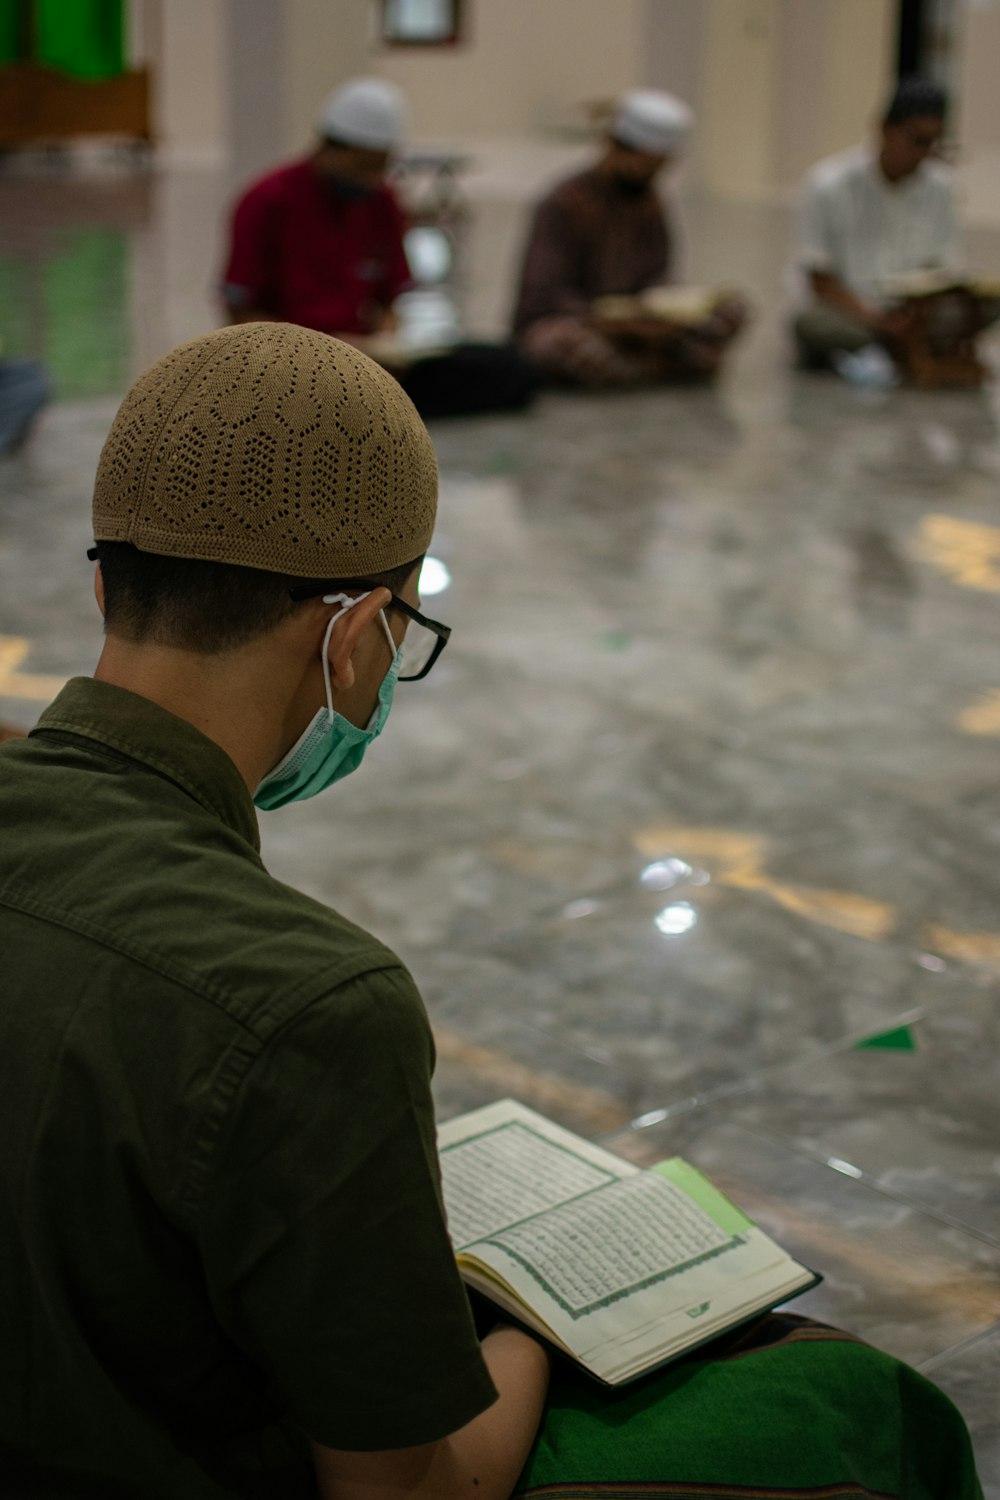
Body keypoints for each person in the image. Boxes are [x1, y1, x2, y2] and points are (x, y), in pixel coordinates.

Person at [0, 319, 984, 1500]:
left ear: (107, 582)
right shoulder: (309, 1001)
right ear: (357, 638)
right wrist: (528, 1328)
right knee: (838, 1403)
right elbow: (411, 1490)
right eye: (404, 632)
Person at [221, 77, 536, 418]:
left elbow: (389, 303)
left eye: (381, 167)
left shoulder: (382, 202)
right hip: (293, 369)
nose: (371, 179)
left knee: (507, 366)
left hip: (364, 364)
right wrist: (316, 351)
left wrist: (385, 346)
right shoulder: (267, 201)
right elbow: (241, 314)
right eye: (363, 167)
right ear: (327, 149)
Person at [511, 88, 747, 387]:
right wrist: (611, 320)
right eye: (643, 164)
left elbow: (658, 275)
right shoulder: (563, 202)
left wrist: (665, 312)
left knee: (728, 312)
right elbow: (540, 299)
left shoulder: (650, 202)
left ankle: (641, 369)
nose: (650, 176)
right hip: (583, 324)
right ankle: (661, 369)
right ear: (613, 147)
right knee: (559, 345)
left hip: (641, 326)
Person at [792, 76, 996, 372]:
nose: (925, 153)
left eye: (934, 143)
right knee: (809, 324)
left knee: (987, 308)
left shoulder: (941, 189)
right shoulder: (828, 184)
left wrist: (915, 315)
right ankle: (900, 347)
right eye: (918, 140)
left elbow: (944, 272)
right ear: (886, 130)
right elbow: (819, 279)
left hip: (915, 314)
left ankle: (888, 348)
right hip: (854, 312)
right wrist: (876, 319)